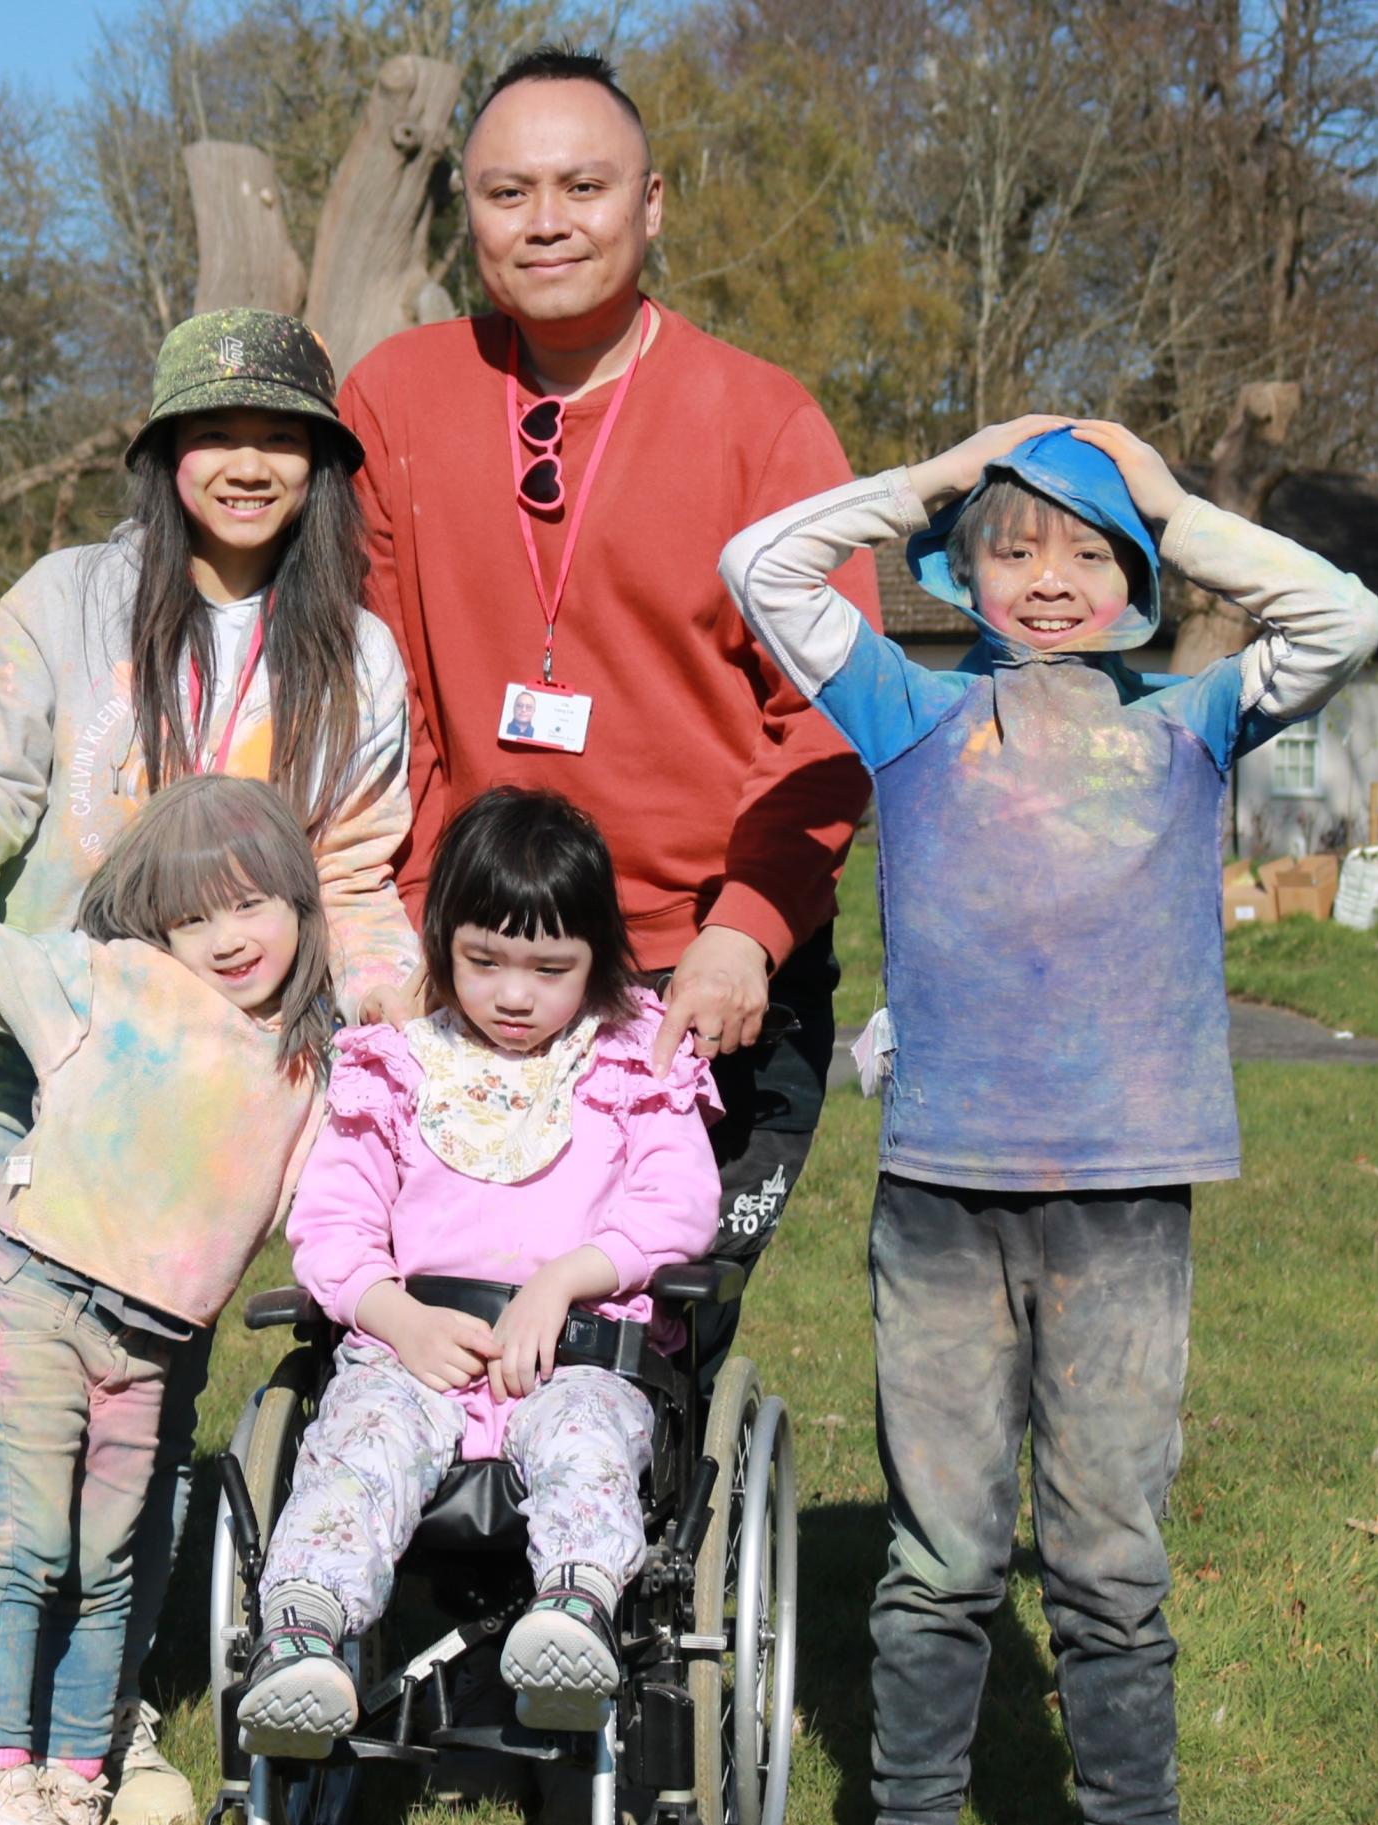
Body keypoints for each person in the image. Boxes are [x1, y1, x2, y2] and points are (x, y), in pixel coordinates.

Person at [718, 417, 1378, 1825]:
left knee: (1109, 1557)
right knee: (943, 1556)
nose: (1052, 578)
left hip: (1129, 1203)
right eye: (1012, 549)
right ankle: (909, 1806)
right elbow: (761, 569)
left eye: (1092, 554)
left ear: (1136, 584)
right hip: (945, 1198)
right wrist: (933, 479)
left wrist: (1172, 507)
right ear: (962, 572)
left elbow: (1346, 615)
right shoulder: (914, 714)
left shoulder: (1189, 723)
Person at [0, 309, 418, 1825]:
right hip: (36, 1080)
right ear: (163, 453)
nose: (248, 463)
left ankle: (111, 1734)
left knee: (141, 1436)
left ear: (321, 464)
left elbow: (360, 873)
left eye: (282, 437)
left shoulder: (359, 653)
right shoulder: (65, 602)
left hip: (210, 1131)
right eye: (216, 434)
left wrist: (400, 1024)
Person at [338, 44, 881, 1381]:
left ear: (654, 203)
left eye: (584, 184)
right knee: (444, 1319)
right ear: (465, 212)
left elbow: (831, 718)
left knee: (648, 1342)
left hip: (704, 968)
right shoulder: (396, 400)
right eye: (506, 190)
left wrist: (747, 932)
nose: (546, 218)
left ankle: (618, 1576)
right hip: (476, 964)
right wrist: (406, 929)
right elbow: (378, 694)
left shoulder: (765, 424)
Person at [233, 787, 721, 1754]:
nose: (512, 993)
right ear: (442, 941)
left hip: (579, 1353)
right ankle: (303, 1637)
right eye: (484, 960)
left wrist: (569, 1277)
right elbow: (332, 1222)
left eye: (551, 969)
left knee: (587, 1441)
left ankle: (573, 1619)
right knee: (359, 1447)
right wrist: (391, 1313)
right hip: (415, 1353)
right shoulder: (398, 1068)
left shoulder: (631, 1061)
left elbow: (679, 1206)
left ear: (599, 958)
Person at [0, 776, 331, 1825]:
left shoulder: (308, 1068)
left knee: (106, 1563)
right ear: (153, 922)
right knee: (23, 1545)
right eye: (192, 914)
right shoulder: (110, 982)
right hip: (33, 1304)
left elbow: (326, 1212)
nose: (226, 936)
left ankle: (75, 1777)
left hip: (149, 1347)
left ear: (298, 900)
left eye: (250, 902)